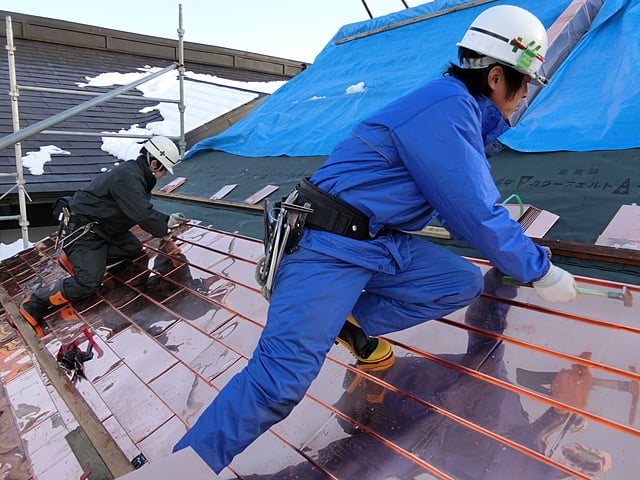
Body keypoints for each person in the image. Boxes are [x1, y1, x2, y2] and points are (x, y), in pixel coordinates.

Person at [173, 5, 579, 473]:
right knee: (279, 382)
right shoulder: (445, 110)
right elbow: (473, 208)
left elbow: (463, 202)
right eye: (525, 82)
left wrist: (520, 252)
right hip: (324, 246)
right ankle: (188, 467)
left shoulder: (455, 110)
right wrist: (539, 270)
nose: (526, 94)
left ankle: (348, 321)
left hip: (374, 242)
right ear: (494, 77)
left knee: (457, 282)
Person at [16, 136, 187, 338]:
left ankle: (82, 260)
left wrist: (166, 220)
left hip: (103, 230)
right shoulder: (128, 178)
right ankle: (35, 302)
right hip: (83, 233)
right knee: (88, 282)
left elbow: (137, 209)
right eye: (164, 169)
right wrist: (165, 232)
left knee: (132, 249)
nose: (164, 174)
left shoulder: (134, 174)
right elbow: (141, 214)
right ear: (154, 162)